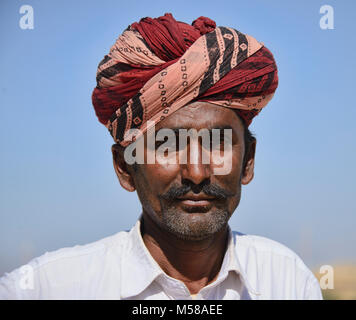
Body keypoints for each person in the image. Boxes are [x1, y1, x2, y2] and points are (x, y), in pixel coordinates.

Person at [0, 13, 322, 300]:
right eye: (168, 146)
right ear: (125, 167)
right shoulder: (45, 289)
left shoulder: (289, 283)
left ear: (248, 162)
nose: (197, 172)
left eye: (218, 143)